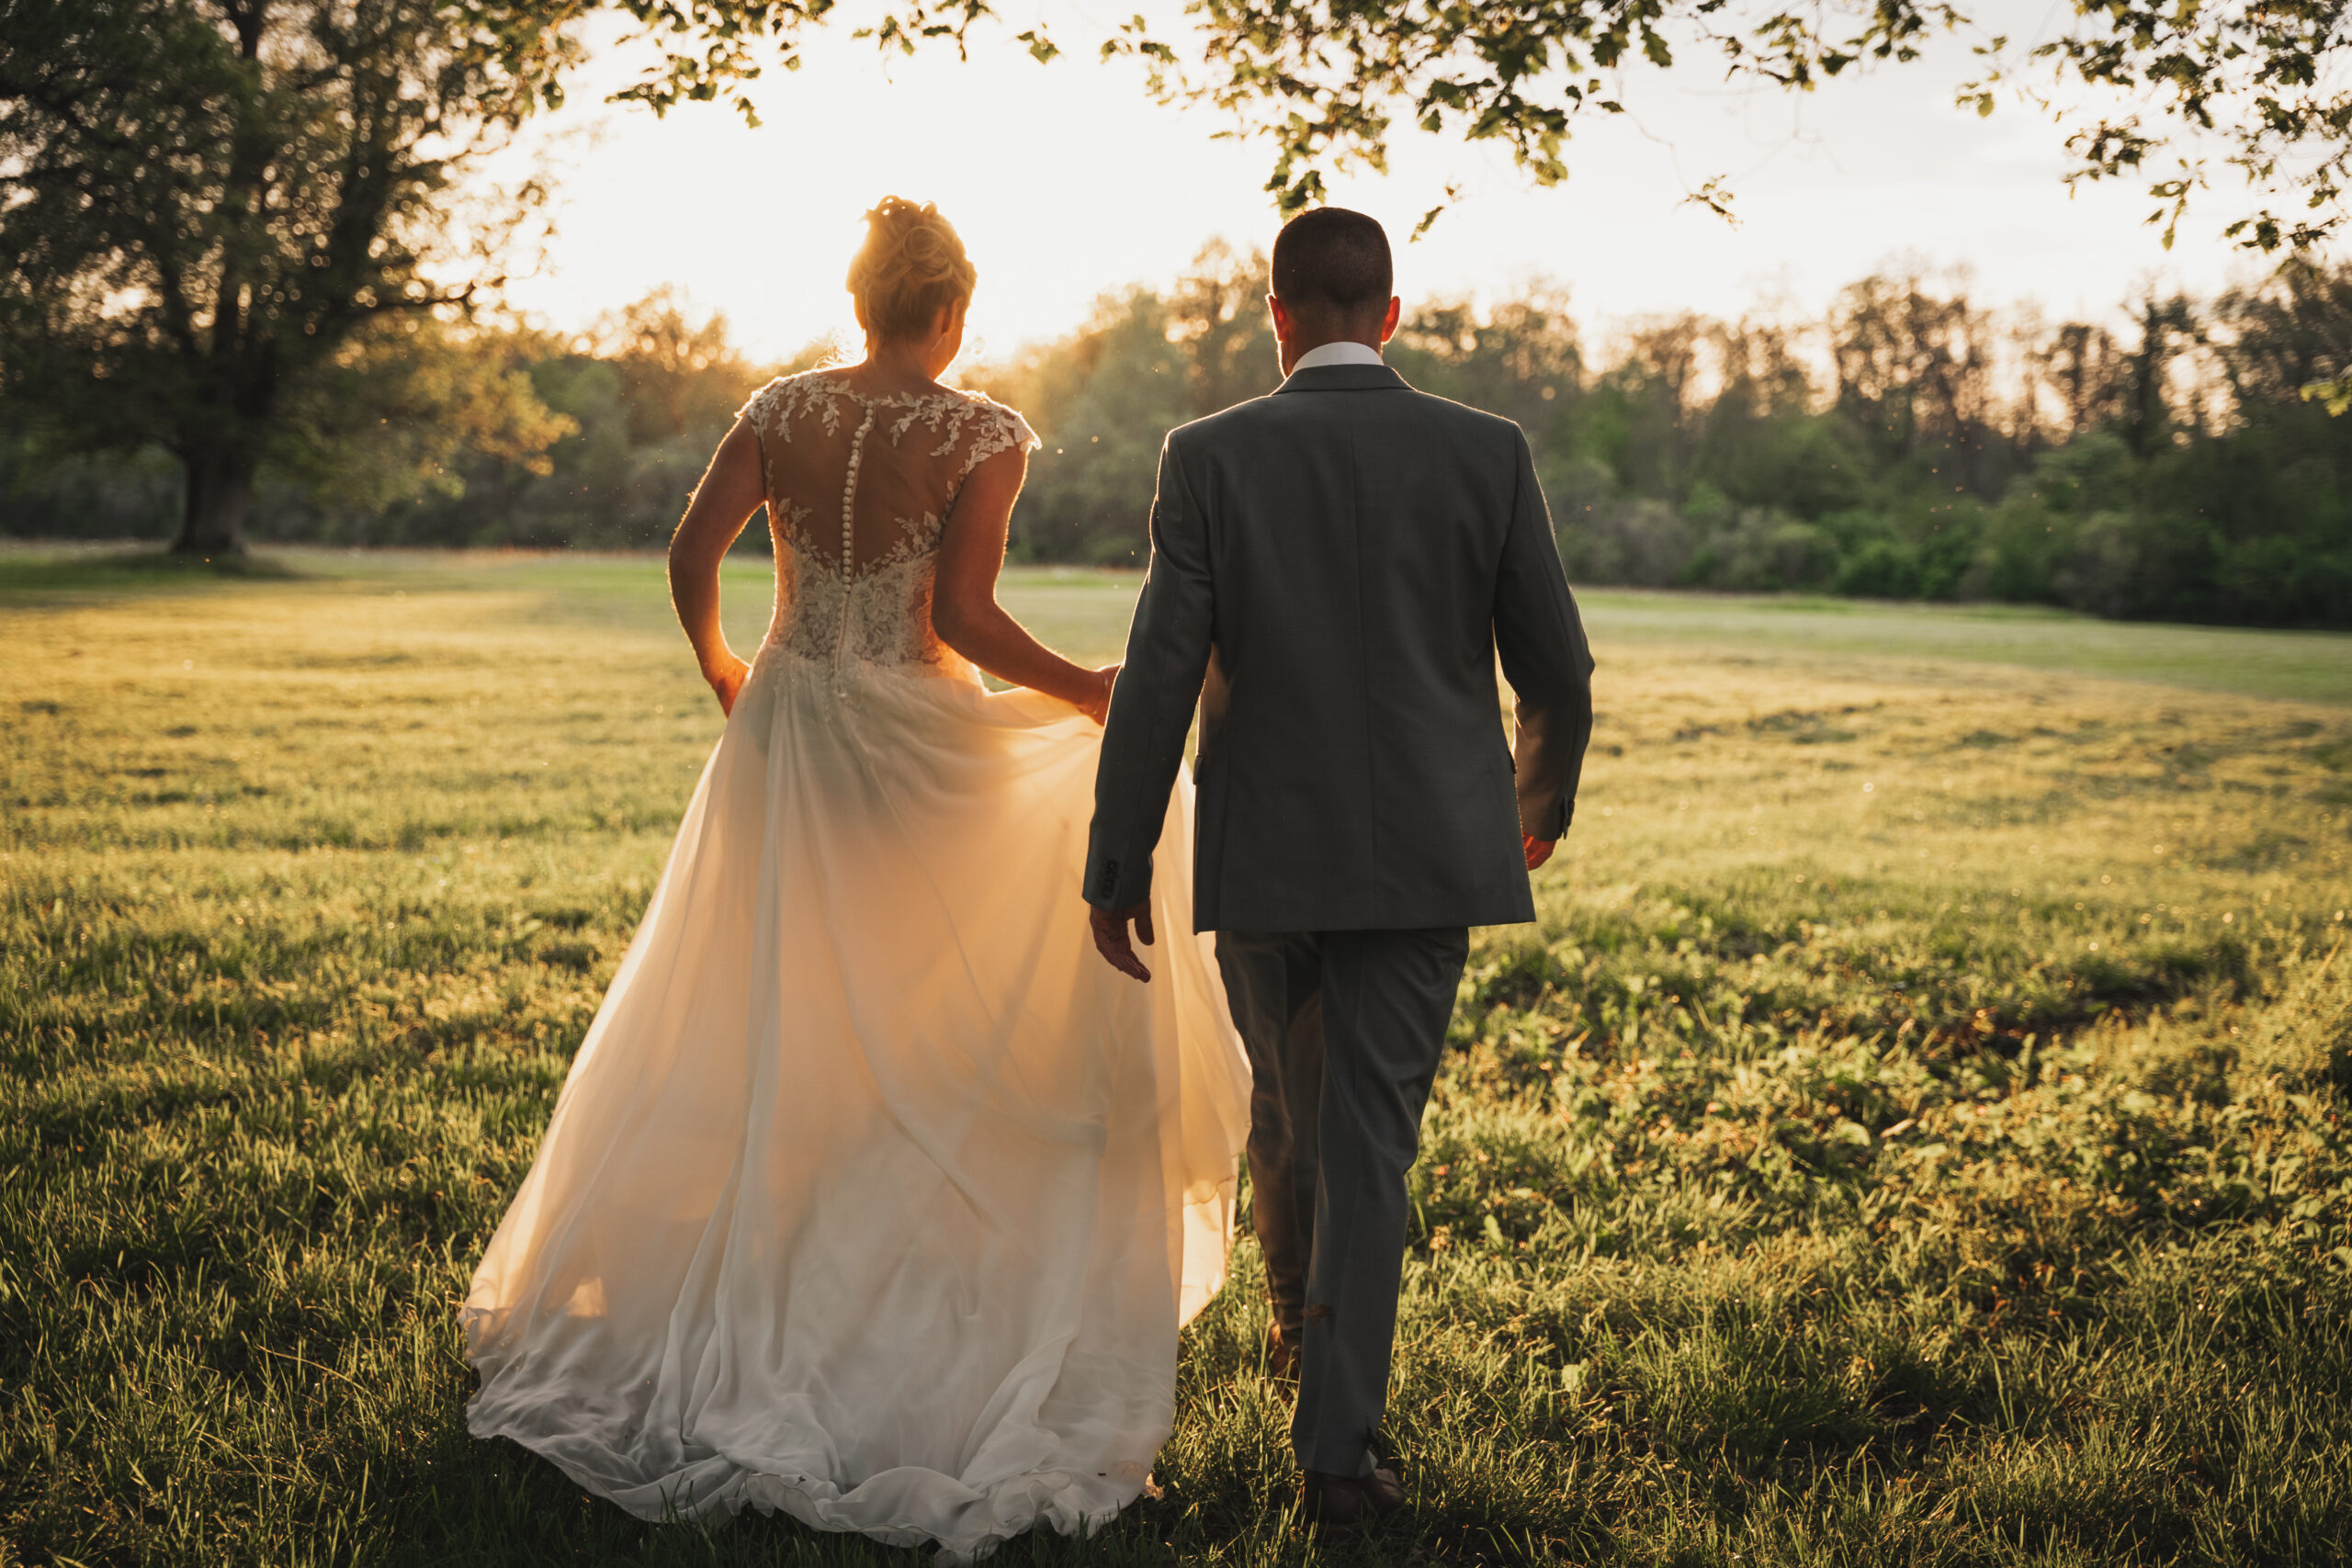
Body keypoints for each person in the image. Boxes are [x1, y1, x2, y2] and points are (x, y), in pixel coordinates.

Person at [461, 197, 1251, 1562]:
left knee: (775, 994)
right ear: (949, 313)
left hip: (783, 723)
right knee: (919, 994)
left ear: (858, 299)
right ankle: (896, 1262)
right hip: (898, 739)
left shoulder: (779, 406)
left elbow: (691, 553)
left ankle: (761, 1251)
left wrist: (726, 664)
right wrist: (1089, 696)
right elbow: (957, 617)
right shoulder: (979, 431)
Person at [1083, 206, 1595, 1534]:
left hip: (1266, 852)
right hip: (1432, 853)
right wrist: (1534, 804)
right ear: (1392, 314)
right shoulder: (1487, 451)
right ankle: (1338, 1443)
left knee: (1289, 1115)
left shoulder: (1210, 454)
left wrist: (1118, 851)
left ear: (1278, 316)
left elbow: (1157, 670)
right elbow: (1559, 666)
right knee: (1365, 1135)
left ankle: (1304, 1350)